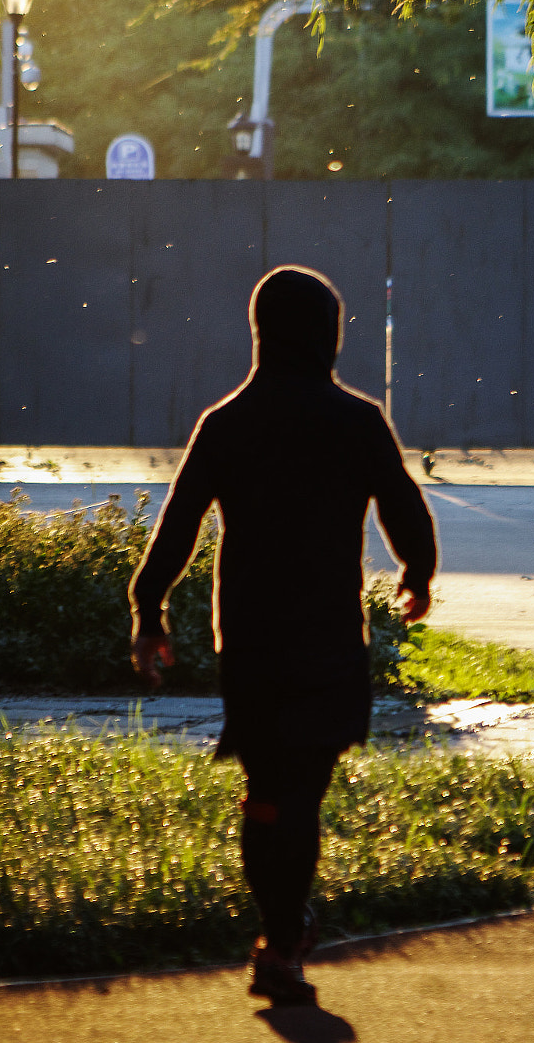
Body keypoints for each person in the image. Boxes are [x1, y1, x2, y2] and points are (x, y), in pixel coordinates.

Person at [128, 265, 437, 1005]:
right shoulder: (357, 420)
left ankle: (278, 931)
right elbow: (404, 506)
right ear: (329, 336)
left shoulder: (228, 423)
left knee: (269, 792)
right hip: (329, 640)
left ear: (259, 334)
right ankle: (283, 933)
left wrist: (148, 608)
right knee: (302, 792)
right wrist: (417, 575)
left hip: (254, 642)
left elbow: (176, 527)